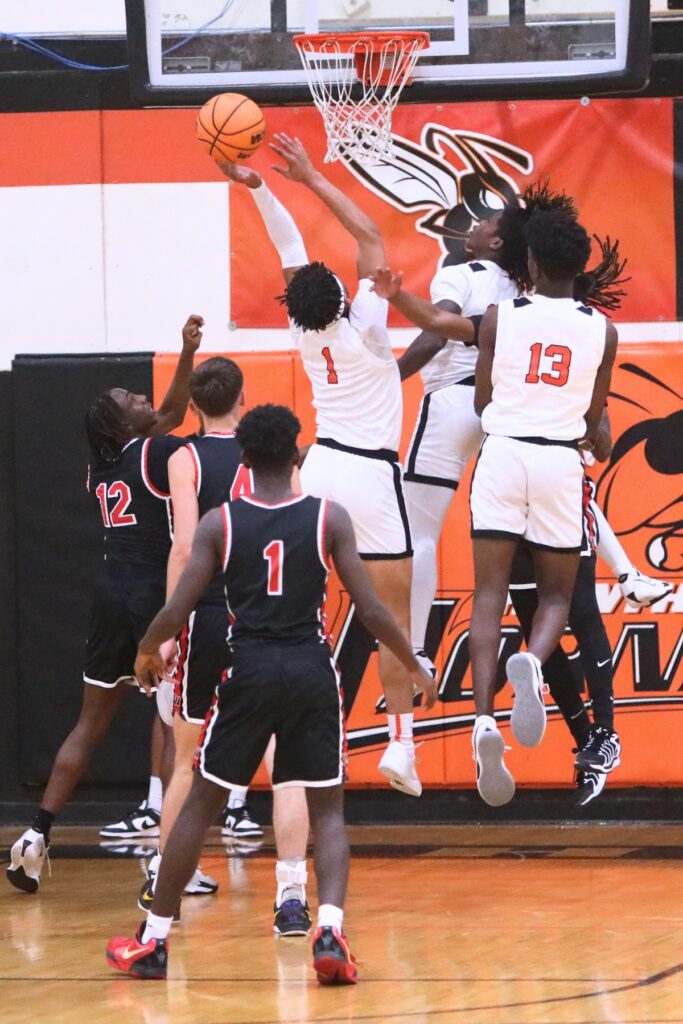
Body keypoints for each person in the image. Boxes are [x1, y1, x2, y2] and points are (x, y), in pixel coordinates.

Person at [105, 404, 434, 985]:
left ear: (246, 458)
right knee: (327, 809)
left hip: (249, 670)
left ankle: (153, 940)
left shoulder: (221, 524)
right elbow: (371, 607)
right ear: (295, 453)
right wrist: (411, 663)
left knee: (201, 804)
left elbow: (178, 606)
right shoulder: (329, 517)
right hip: (311, 670)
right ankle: (329, 929)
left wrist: (147, 649)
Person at [372, 210, 619, 804]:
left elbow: (482, 399)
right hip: (558, 460)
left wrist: (396, 295)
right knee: (557, 597)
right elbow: (594, 419)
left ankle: (484, 718)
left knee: (490, 594)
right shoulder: (603, 331)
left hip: (503, 453)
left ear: (531, 261)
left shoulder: (500, 317)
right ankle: (533, 661)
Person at [217, 134, 438, 798]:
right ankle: (401, 746)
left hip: (317, 475)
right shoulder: (366, 323)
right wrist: (311, 177)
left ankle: (265, 741)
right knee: (391, 617)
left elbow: (287, 247)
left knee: (291, 612)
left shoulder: (303, 331)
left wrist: (258, 187)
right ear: (345, 297)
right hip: (368, 476)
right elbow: (369, 232)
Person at [6, 316, 204, 893]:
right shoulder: (155, 454)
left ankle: (36, 835)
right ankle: (168, 858)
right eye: (132, 399)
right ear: (124, 423)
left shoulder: (102, 463)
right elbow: (175, 415)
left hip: (107, 591)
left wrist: (185, 352)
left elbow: (165, 412)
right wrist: (190, 356)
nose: (143, 398)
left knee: (89, 724)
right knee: (171, 724)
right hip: (150, 597)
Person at [143, 356, 311, 937]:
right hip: (270, 618)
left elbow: (185, 548)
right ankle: (292, 893)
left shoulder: (185, 458)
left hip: (210, 614)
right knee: (286, 761)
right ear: (243, 397)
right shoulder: (270, 453)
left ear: (193, 405)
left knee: (186, 760)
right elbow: (296, 523)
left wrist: (168, 633)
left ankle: (167, 878)